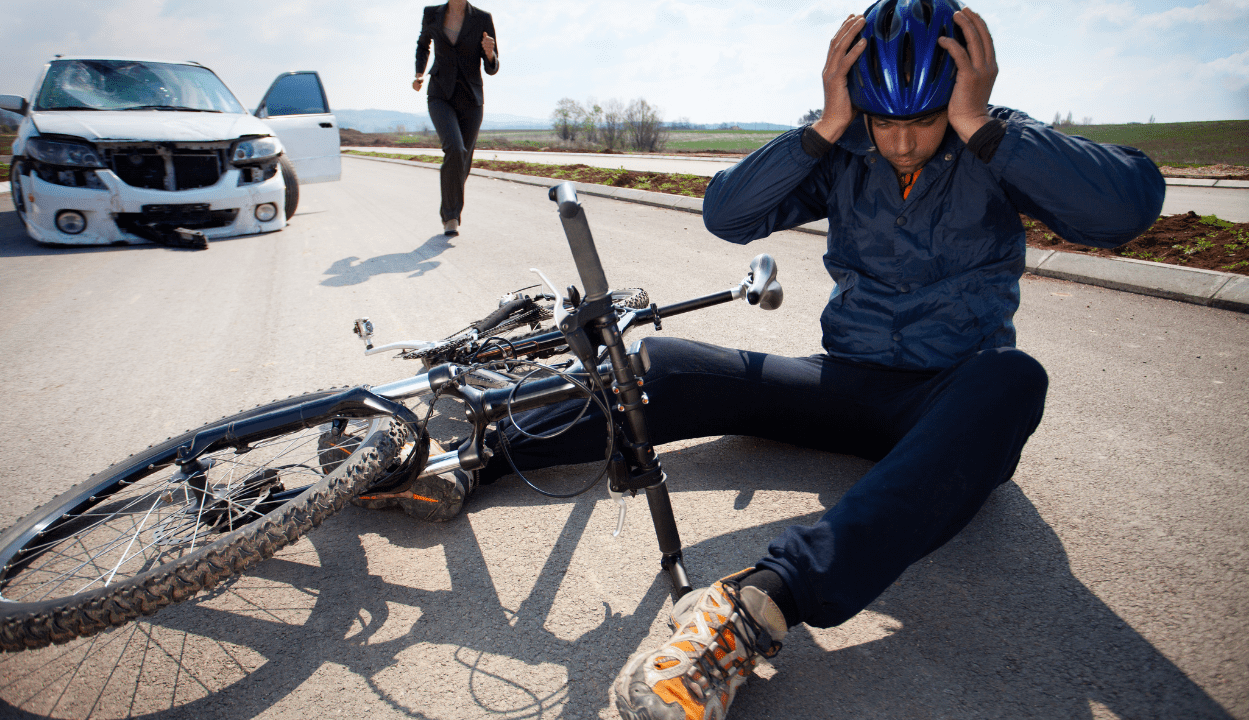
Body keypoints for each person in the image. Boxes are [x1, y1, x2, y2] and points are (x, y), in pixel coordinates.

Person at [396, 0, 1166, 717]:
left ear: (964, 92)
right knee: (671, 362)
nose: (901, 141)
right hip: (847, 381)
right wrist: (824, 127)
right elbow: (727, 213)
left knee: (1015, 380)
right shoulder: (845, 144)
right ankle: (477, 459)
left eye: (925, 119)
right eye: (883, 120)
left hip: (953, 397)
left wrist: (979, 126)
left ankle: (758, 607)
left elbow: (1127, 209)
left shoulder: (996, 142)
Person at [413, 0, 499, 237]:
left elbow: (492, 67)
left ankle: (451, 205)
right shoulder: (431, 14)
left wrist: (490, 53)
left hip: (471, 99)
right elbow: (423, 45)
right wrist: (419, 73)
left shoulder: (482, 18)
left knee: (463, 162)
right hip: (440, 94)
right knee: (455, 148)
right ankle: (451, 216)